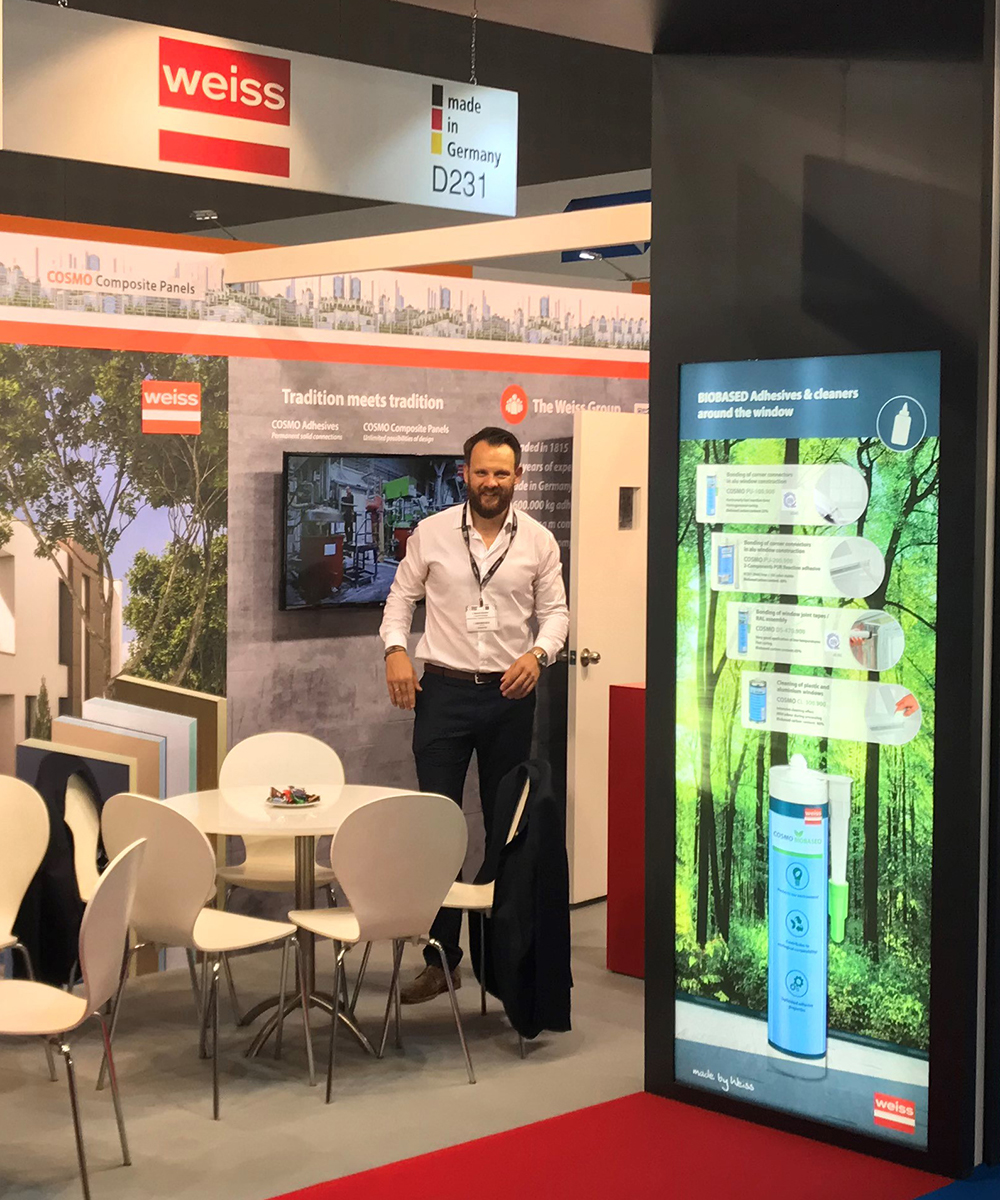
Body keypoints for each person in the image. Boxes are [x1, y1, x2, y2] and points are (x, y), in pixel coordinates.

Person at [379, 427, 569, 1004]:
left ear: (518, 477)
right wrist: (394, 650)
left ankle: (501, 961)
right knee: (439, 828)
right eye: (481, 472)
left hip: (510, 696)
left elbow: (556, 614)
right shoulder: (432, 532)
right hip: (443, 695)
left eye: (501, 473)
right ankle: (442, 960)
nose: (491, 482)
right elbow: (400, 599)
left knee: (504, 828)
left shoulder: (538, 542)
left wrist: (540, 654)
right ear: (466, 473)